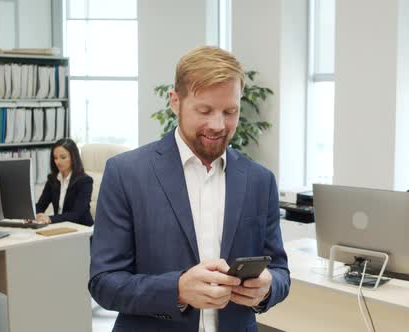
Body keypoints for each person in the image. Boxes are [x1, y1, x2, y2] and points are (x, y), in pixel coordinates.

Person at [89, 46, 290, 332]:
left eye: (230, 111)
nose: (218, 125)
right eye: (204, 110)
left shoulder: (260, 180)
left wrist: (268, 288)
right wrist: (178, 289)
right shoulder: (126, 174)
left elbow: (281, 272)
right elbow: (104, 283)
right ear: (175, 101)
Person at [35, 138, 94, 226]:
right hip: (60, 227)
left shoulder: (85, 181)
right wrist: (34, 215)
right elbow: (40, 205)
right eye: (55, 158)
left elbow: (77, 214)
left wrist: (50, 218)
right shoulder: (53, 179)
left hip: (81, 229)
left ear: (73, 157)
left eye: (63, 157)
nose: (58, 161)